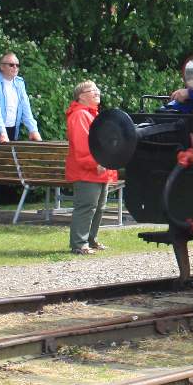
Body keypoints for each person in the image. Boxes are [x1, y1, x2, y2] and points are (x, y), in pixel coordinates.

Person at [0, 52, 42, 212]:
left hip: (11, 128)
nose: (15, 68)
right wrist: (1, 132)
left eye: (17, 65)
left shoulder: (19, 83)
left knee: (0, 166)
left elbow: (26, 107)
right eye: (11, 65)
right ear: (2, 66)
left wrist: (33, 129)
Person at [65, 80, 118, 255]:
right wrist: (96, 162)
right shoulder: (80, 115)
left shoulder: (92, 114)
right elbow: (82, 145)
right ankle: (79, 244)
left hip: (99, 170)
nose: (97, 92)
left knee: (99, 206)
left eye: (97, 88)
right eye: (92, 90)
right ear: (81, 96)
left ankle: (90, 240)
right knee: (87, 206)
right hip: (87, 171)